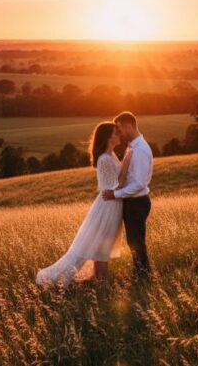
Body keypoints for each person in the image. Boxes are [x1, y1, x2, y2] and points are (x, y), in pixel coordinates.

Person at [36, 122, 132, 287]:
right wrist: (128, 160)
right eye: (116, 133)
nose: (119, 135)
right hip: (107, 207)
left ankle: (100, 282)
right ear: (108, 137)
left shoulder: (112, 155)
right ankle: (101, 284)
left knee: (102, 246)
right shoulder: (104, 159)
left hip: (113, 205)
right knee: (100, 247)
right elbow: (116, 187)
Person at [102, 111, 154, 281]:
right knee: (134, 242)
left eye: (120, 129)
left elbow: (138, 183)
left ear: (129, 126)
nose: (119, 134)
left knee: (136, 243)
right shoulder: (134, 147)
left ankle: (143, 278)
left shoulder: (139, 150)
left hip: (137, 202)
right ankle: (141, 275)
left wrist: (115, 194)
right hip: (133, 202)